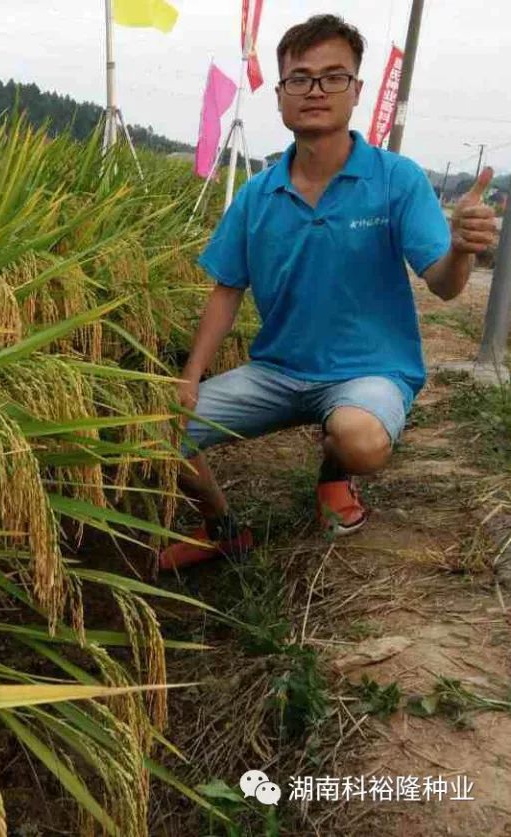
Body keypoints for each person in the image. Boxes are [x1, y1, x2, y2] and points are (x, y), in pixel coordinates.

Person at [160, 15, 500, 570]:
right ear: (280, 95)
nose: (315, 90)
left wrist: (462, 248)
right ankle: (222, 529)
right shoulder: (257, 195)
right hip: (276, 372)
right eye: (300, 78)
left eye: (333, 77)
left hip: (369, 372)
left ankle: (334, 472)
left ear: (357, 91)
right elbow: (227, 291)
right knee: (156, 430)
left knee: (359, 438)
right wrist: (190, 377)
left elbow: (441, 284)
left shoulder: (397, 179)